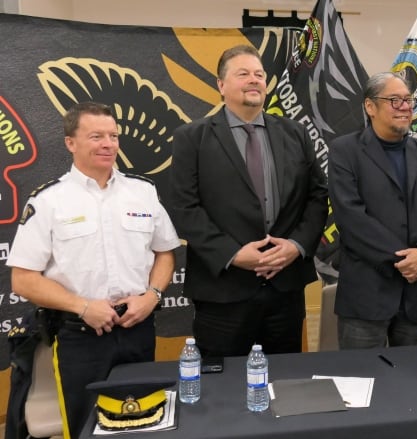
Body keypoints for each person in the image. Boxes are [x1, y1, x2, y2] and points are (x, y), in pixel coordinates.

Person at [6, 101, 180, 438]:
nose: (108, 144)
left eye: (113, 136)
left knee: (147, 420)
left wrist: (152, 296)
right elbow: (23, 279)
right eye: (96, 136)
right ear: (71, 142)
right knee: (85, 426)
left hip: (137, 328)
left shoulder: (142, 192)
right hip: (80, 337)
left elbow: (165, 254)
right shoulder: (48, 201)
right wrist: (83, 307)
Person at [169, 45, 328, 356]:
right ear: (221, 85)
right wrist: (233, 254)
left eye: (259, 75)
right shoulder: (192, 138)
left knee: (283, 385)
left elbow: (317, 196)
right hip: (223, 293)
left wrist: (295, 246)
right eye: (243, 74)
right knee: (221, 391)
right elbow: (184, 208)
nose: (254, 80)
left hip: (285, 289)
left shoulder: (296, 133)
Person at [328, 72, 417, 349]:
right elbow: (351, 218)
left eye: (408, 100)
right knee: (361, 382)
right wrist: (405, 261)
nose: (405, 107)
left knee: (413, 385)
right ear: (370, 107)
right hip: (366, 296)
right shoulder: (345, 151)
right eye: (394, 100)